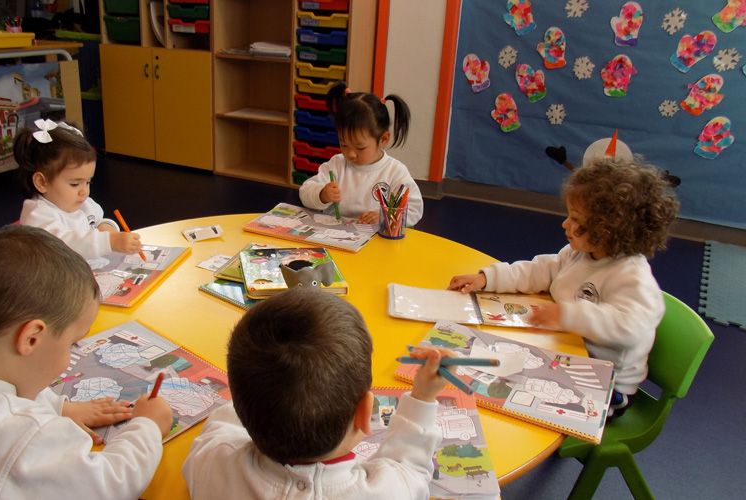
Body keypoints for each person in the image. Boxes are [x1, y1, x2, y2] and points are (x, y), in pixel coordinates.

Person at [0, 225, 173, 499]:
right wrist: (147, 427)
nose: (69, 357)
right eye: (71, 343)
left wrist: (59, 406)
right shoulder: (23, 434)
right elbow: (110, 482)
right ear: (31, 338)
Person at [448, 157, 679, 418]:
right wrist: (487, 279)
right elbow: (541, 270)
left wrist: (567, 315)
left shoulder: (632, 277)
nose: (565, 224)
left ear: (609, 230)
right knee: (489, 364)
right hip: (566, 355)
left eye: (575, 219)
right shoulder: (579, 253)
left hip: (605, 387)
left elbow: (631, 327)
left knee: (506, 394)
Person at [183, 287, 452, 498]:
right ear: (364, 413)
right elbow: (411, 468)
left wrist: (256, 387)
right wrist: (422, 398)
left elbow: (223, 423)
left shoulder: (210, 462)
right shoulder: (390, 491)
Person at [15, 119, 142, 268]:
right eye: (75, 184)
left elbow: (98, 220)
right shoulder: (38, 216)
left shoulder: (81, 202)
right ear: (42, 182)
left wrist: (107, 228)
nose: (84, 191)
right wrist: (109, 241)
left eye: (88, 182)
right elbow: (66, 244)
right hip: (57, 282)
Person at [299, 82, 424, 226]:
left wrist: (384, 216)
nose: (351, 154)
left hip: (375, 239)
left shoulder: (395, 172)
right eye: (344, 144)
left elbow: (414, 209)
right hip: (334, 236)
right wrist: (322, 195)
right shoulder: (336, 164)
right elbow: (305, 192)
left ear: (383, 139)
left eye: (360, 147)